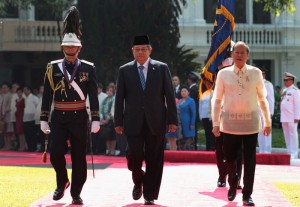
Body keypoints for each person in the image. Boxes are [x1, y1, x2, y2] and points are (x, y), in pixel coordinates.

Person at [40, 6, 100, 205]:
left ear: (79, 48)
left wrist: (96, 118)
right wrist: (43, 118)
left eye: (73, 47)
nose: (70, 50)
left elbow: (92, 93)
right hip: (59, 117)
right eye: (67, 47)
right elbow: (47, 94)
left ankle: (76, 192)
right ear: (63, 48)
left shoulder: (88, 68)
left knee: (79, 158)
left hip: (79, 116)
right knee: (56, 154)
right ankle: (62, 182)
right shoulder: (52, 67)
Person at [114, 35, 177, 205]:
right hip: (132, 121)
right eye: (137, 49)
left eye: (143, 49)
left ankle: (149, 194)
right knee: (132, 155)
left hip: (156, 120)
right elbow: (119, 98)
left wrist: (172, 120)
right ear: (132, 51)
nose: (140, 52)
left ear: (150, 50)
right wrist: (118, 121)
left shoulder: (161, 68)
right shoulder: (125, 70)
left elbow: (169, 96)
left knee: (154, 159)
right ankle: (139, 178)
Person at [212, 41, 271, 206]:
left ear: (248, 55)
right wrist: (216, 123)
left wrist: (267, 121)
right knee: (230, 157)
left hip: (251, 123)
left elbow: (262, 99)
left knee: (250, 159)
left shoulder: (256, 72)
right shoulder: (223, 74)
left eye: (242, 53)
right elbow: (217, 100)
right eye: (236, 52)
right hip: (229, 124)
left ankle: (247, 195)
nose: (239, 55)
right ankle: (232, 182)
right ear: (231, 54)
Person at [280, 72, 300, 159]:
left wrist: (297, 116)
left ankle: (294, 152)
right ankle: (289, 151)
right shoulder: (284, 90)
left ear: (292, 80)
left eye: (287, 80)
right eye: (284, 80)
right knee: (286, 134)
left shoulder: (296, 91)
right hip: (284, 116)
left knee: (293, 134)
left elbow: (297, 104)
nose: (285, 82)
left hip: (292, 116)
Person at [258, 69, 275, 153]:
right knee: (259, 131)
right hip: (257, 111)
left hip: (266, 112)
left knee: (266, 131)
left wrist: (271, 112)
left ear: (264, 74)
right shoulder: (255, 83)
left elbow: (271, 99)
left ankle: (267, 150)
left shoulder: (268, 84)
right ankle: (262, 149)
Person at [177, 86, 196, 150]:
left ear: (188, 92)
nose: (183, 92)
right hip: (180, 124)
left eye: (185, 91)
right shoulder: (179, 101)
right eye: (182, 91)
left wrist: (192, 124)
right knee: (181, 140)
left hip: (188, 123)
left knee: (188, 139)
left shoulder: (191, 101)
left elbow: (193, 113)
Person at [99, 85, 116, 156]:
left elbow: (113, 110)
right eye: (108, 90)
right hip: (104, 119)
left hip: (112, 119)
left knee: (112, 136)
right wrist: (102, 118)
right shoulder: (105, 99)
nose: (109, 92)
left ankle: (112, 150)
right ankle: (108, 150)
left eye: (111, 91)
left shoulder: (113, 99)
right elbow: (101, 109)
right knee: (107, 136)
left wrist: (108, 119)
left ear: (113, 92)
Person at [23, 86, 39, 152]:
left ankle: (33, 147)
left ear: (29, 90)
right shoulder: (24, 98)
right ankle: (29, 147)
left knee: (32, 134)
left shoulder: (34, 98)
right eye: (23, 90)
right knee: (27, 134)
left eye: (25, 90)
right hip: (25, 118)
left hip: (32, 118)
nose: (24, 91)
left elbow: (37, 106)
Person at [187, 73, 199, 150]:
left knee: (193, 130)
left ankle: (193, 146)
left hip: (192, 112)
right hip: (195, 111)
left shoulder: (193, 89)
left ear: (190, 80)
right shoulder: (197, 88)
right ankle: (193, 145)